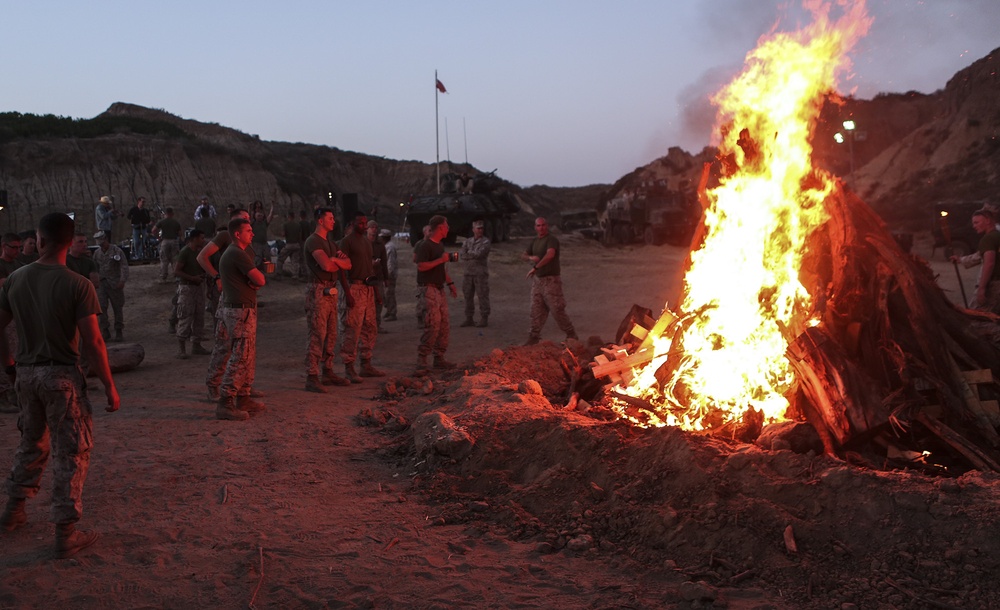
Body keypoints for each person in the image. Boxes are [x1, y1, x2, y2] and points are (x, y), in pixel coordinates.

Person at [0, 212, 120, 559]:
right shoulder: (76, 284)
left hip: (26, 375)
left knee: (31, 443)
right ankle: (66, 533)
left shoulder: (15, 279)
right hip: (61, 377)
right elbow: (94, 342)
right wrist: (109, 386)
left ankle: (13, 511)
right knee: (71, 452)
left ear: (39, 240)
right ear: (71, 243)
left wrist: (9, 365)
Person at [198, 208, 258, 402]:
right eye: (244, 218)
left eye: (249, 219)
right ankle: (214, 385)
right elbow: (202, 257)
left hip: (245, 296)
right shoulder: (226, 236)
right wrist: (217, 276)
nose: (248, 221)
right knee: (225, 343)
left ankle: (243, 386)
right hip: (228, 298)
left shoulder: (246, 242)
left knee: (246, 344)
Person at [216, 217, 266, 421]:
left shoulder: (236, 253)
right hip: (239, 312)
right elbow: (260, 279)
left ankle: (243, 396)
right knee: (240, 357)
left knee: (246, 355)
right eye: (248, 230)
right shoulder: (237, 253)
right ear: (238, 234)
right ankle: (226, 401)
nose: (252, 234)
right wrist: (255, 281)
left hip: (242, 309)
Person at [303, 208, 353, 392]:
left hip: (330, 291)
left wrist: (335, 260)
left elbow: (347, 264)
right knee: (317, 333)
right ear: (320, 220)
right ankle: (312, 375)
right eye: (330, 218)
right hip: (317, 289)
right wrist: (334, 261)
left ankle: (328, 370)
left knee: (331, 332)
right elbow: (326, 265)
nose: (334, 221)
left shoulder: (330, 244)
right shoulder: (313, 241)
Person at [339, 212, 384, 381]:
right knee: (352, 328)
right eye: (360, 223)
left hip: (368, 288)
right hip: (354, 286)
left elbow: (370, 269)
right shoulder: (346, 242)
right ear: (353, 223)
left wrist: (376, 292)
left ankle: (366, 363)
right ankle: (349, 366)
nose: (364, 225)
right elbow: (341, 268)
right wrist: (347, 292)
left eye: (365, 222)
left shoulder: (367, 242)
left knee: (369, 326)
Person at [522, 217, 578, 345]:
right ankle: (534, 336)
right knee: (535, 309)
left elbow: (550, 255)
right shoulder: (535, 241)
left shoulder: (551, 240)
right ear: (535, 227)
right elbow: (523, 255)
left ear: (547, 226)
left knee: (557, 309)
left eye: (543, 225)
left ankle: (571, 334)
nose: (541, 228)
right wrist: (531, 258)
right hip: (538, 281)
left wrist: (536, 267)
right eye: (538, 226)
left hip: (551, 280)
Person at [414, 215, 458, 373]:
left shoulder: (439, 245)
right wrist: (440, 260)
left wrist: (450, 283)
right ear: (440, 228)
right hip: (428, 289)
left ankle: (439, 357)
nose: (448, 229)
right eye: (446, 226)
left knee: (444, 324)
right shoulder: (425, 246)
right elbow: (421, 266)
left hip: (439, 288)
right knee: (432, 324)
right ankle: (422, 359)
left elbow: (442, 268)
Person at [950, 207, 1000, 313]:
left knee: (976, 317)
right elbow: (980, 256)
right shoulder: (997, 236)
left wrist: (982, 288)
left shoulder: (988, 239)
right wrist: (961, 259)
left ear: (987, 220)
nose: (974, 226)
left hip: (994, 285)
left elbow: (989, 263)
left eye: (976, 222)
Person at [174, 230, 211, 359]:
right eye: (201, 237)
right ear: (194, 238)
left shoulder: (200, 252)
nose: (203, 240)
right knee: (185, 316)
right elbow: (177, 271)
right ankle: (181, 348)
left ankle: (196, 345)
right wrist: (192, 278)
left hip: (199, 287)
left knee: (199, 316)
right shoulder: (185, 252)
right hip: (187, 288)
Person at [93, 230, 129, 342]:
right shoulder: (97, 253)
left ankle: (119, 330)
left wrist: (122, 280)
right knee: (101, 307)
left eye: (102, 243)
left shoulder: (116, 251)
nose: (101, 246)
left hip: (114, 283)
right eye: (99, 244)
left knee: (117, 307)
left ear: (106, 240)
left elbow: (124, 266)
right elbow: (94, 267)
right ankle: (105, 330)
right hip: (102, 283)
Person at [459, 220, 491, 327]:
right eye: (478, 228)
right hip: (468, 273)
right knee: (468, 296)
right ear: (473, 230)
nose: (480, 230)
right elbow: (462, 255)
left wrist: (469, 253)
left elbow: (479, 254)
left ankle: (484, 318)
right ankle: (469, 318)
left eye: (482, 228)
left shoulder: (486, 242)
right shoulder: (467, 241)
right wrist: (470, 254)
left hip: (480, 274)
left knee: (482, 295)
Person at [366, 220, 389, 332]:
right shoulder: (363, 243)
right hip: (366, 278)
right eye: (371, 227)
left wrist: (386, 278)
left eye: (375, 227)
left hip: (378, 277)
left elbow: (384, 261)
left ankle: (377, 324)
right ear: (367, 228)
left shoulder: (380, 244)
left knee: (379, 301)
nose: (374, 229)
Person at [153, 207, 182, 283]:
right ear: (172, 214)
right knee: (175, 259)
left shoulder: (162, 222)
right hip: (174, 241)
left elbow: (154, 230)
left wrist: (158, 238)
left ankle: (163, 277)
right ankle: (177, 276)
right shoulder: (176, 222)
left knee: (164, 259)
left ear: (165, 214)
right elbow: (180, 233)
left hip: (165, 241)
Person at [277, 210, 305, 280]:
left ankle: (278, 274)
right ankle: (295, 275)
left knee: (280, 259)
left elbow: (283, 234)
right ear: (294, 216)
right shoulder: (298, 225)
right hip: (296, 245)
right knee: (295, 261)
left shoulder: (286, 225)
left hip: (289, 244)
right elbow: (300, 237)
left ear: (288, 216)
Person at [413, 224, 431, 327]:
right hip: (423, 276)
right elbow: (414, 259)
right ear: (424, 232)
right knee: (422, 299)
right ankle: (420, 318)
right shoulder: (419, 244)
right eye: (429, 230)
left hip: (433, 276)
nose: (431, 232)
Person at [380, 229, 398, 322]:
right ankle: (389, 311)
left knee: (389, 294)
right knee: (386, 294)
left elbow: (390, 263)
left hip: (389, 275)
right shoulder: (387, 246)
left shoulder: (389, 247)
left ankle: (392, 313)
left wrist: (388, 275)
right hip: (387, 274)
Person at [250, 204, 275, 269]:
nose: (260, 217)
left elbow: (271, 215)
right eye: (258, 216)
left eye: (261, 216)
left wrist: (272, 206)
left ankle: (269, 271)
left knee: (268, 256)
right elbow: (249, 216)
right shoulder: (253, 224)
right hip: (256, 243)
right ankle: (256, 271)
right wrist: (249, 207)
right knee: (258, 257)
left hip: (264, 243)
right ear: (255, 217)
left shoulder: (264, 223)